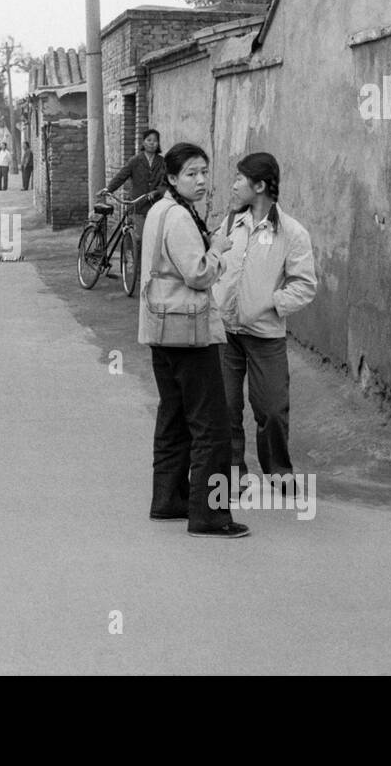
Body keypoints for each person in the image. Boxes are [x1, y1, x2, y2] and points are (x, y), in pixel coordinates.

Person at [138, 141, 249, 538]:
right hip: (189, 333)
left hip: (161, 329)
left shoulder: (159, 210)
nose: (201, 181)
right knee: (212, 426)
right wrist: (217, 250)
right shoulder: (181, 219)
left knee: (174, 418)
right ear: (172, 178)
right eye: (191, 174)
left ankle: (168, 500)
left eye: (204, 172)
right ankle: (209, 514)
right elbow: (198, 274)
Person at [214, 152, 318, 495]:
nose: (232, 185)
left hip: (265, 335)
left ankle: (278, 473)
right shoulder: (230, 223)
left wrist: (272, 304)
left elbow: (305, 285)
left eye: (239, 179)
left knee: (272, 409)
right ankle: (233, 477)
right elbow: (215, 265)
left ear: (259, 186)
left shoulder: (292, 232)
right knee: (226, 407)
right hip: (226, 333)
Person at [104, 128, 166, 239]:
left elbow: (166, 182)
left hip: (156, 205)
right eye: (149, 140)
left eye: (155, 141)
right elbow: (121, 176)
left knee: (156, 238)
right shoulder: (135, 160)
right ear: (143, 142)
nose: (152, 143)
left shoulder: (162, 162)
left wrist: (157, 191)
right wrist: (108, 189)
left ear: (158, 144)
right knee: (139, 238)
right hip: (138, 205)